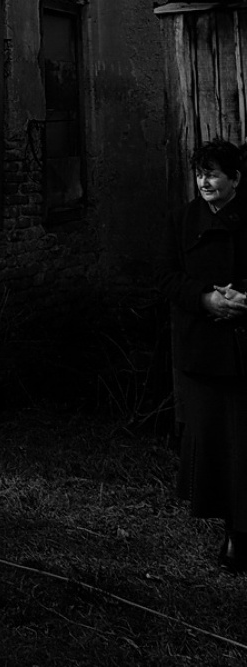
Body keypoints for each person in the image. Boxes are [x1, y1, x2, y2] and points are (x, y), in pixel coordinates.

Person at [158, 138, 247, 573]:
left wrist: (244, 299)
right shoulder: (181, 221)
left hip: (245, 348)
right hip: (203, 351)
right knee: (216, 444)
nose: (204, 182)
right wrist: (205, 299)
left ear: (235, 178)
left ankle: (242, 529)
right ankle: (233, 530)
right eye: (199, 174)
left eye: (213, 174)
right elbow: (166, 278)